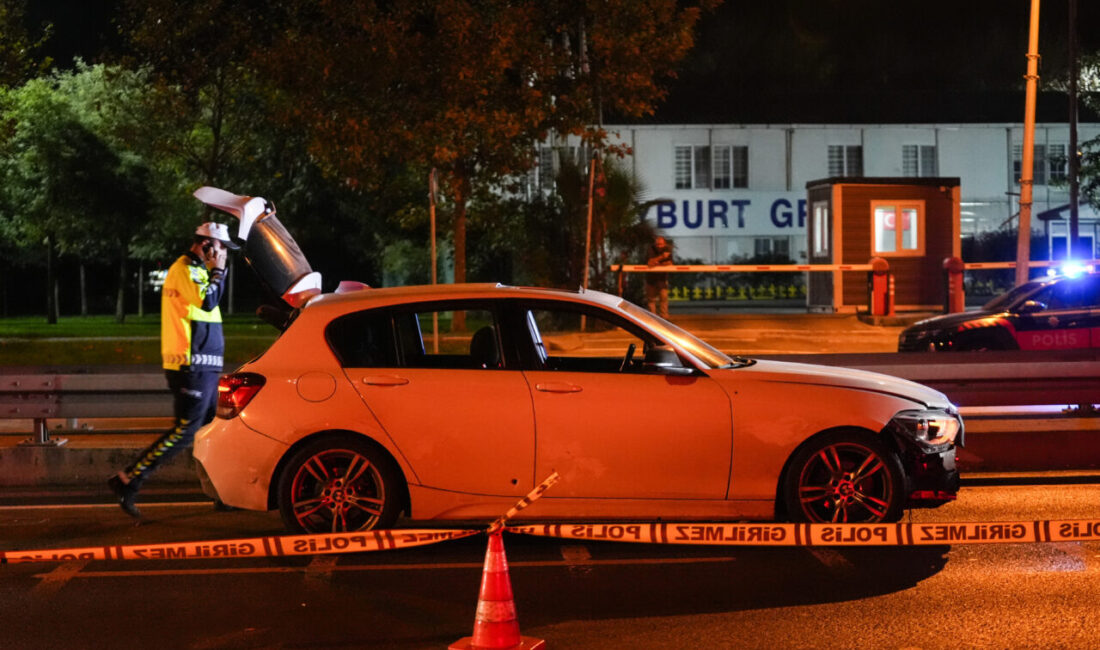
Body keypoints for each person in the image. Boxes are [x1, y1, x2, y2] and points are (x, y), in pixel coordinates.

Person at [108, 222, 239, 519]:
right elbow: (207, 301)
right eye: (220, 249)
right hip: (190, 366)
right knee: (186, 429)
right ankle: (129, 480)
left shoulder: (198, 271)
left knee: (208, 433)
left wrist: (216, 271)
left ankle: (221, 493)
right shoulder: (185, 270)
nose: (223, 256)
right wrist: (217, 270)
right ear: (206, 246)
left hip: (203, 365)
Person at [645, 236, 673, 318]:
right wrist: (662, 257)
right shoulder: (650, 249)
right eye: (657, 244)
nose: (659, 246)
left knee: (663, 299)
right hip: (650, 279)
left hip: (662, 279)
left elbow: (670, 263)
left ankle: (664, 319)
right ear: (655, 244)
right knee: (651, 300)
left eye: (661, 244)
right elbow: (650, 263)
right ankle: (652, 318)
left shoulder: (667, 249)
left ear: (664, 244)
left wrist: (657, 263)